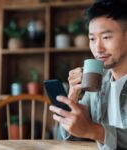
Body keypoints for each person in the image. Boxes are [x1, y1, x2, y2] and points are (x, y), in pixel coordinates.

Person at [49, 0, 127, 149]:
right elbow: (68, 138)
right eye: (92, 39)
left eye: (106, 37)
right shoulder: (99, 80)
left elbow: (89, 130)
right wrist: (73, 94)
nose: (98, 48)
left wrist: (93, 130)